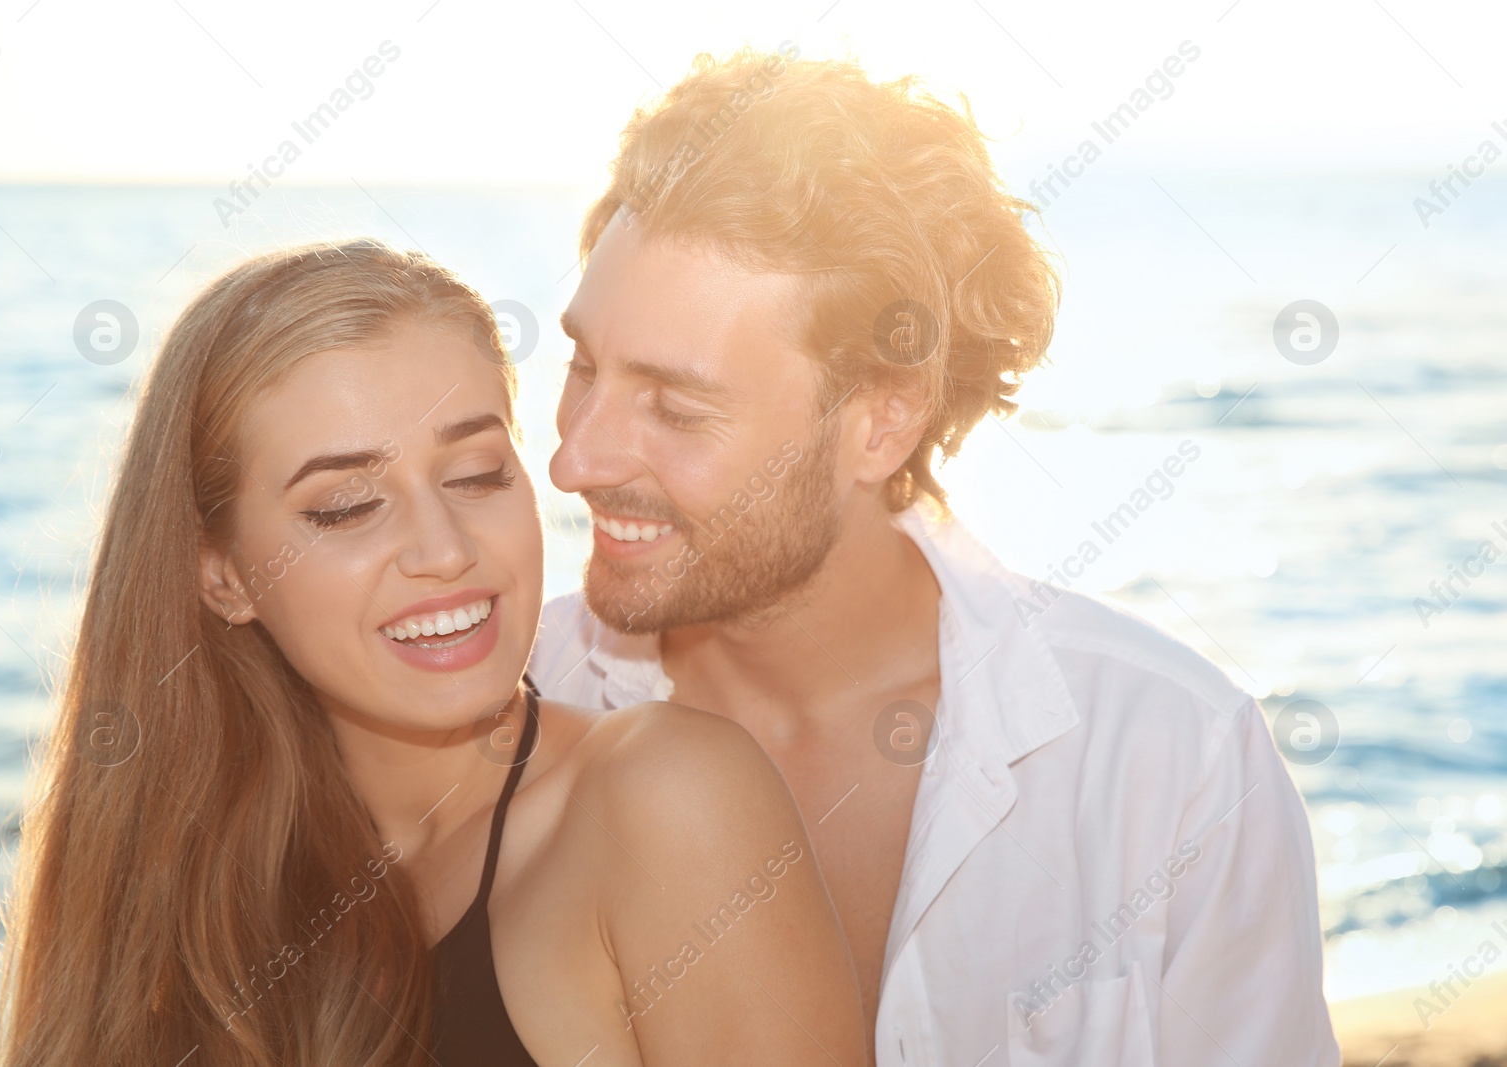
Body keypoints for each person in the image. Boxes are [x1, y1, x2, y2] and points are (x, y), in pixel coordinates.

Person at [529, 49, 1341, 1066]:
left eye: (676, 405)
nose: (572, 456)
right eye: (583, 366)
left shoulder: (1173, 760)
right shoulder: (505, 711)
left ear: (880, 422)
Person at [0, 240, 868, 1067]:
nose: (444, 548)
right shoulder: (166, 887)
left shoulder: (668, 799)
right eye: (345, 506)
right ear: (223, 577)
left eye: (477, 473)